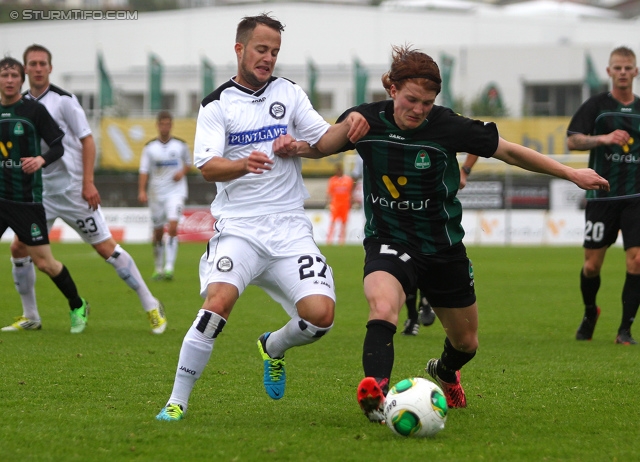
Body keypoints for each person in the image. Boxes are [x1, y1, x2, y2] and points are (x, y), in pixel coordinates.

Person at [273, 45, 609, 420]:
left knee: (466, 343)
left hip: (443, 246)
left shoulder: (448, 125)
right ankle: (376, 395)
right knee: (383, 307)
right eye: (412, 100)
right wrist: (293, 147)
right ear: (392, 90)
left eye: (427, 102)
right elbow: (321, 147)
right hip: (388, 240)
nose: (418, 109)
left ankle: (446, 371)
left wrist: (572, 173)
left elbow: (511, 153)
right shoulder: (362, 121)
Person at [155, 13, 367, 422]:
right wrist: (242, 163)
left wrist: (351, 124)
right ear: (240, 49)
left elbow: (323, 143)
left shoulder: (288, 93)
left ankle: (274, 346)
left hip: (289, 228)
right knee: (218, 303)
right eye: (261, 49)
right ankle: (176, 401)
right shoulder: (216, 104)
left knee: (321, 317)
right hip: (240, 229)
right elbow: (208, 167)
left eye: (274, 52)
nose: (268, 58)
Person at [2, 44, 166, 334]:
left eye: (43, 63)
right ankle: (31, 316)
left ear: (50, 68)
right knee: (18, 247)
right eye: (33, 64)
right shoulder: (19, 104)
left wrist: (87, 182)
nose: (38, 68)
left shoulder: (64, 101)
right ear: (25, 70)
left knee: (105, 249)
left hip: (72, 190)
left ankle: (151, 304)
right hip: (39, 194)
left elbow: (87, 140)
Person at [0, 57, 90, 334]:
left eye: (14, 75)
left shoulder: (34, 110)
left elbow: (58, 146)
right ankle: (31, 316)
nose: (10, 79)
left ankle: (77, 304)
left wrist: (41, 160)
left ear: (22, 79)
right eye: (4, 75)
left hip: (26, 200)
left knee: (44, 263)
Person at [567, 46, 640, 345]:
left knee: (636, 261)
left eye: (628, 67)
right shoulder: (596, 106)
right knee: (591, 266)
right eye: (617, 67)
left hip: (636, 197)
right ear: (609, 72)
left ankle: (625, 329)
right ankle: (589, 313)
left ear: (635, 72)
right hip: (601, 197)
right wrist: (604, 139)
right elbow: (573, 141)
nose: (622, 72)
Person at [138, 110, 191, 281]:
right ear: (157, 125)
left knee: (173, 226)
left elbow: (189, 164)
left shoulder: (180, 145)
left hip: (175, 192)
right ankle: (158, 267)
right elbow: (144, 171)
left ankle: (169, 267)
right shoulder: (150, 148)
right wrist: (141, 191)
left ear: (171, 125)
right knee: (158, 232)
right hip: (156, 193)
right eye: (162, 124)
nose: (165, 127)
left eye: (168, 124)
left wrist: (181, 172)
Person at [326, 162, 354, 245]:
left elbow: (350, 192)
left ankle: (342, 241)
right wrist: (328, 203)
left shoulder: (348, 180)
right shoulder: (332, 180)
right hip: (335, 204)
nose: (338, 171)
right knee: (333, 222)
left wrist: (351, 202)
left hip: (345, 204)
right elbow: (329, 193)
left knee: (344, 223)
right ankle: (329, 240)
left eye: (339, 170)